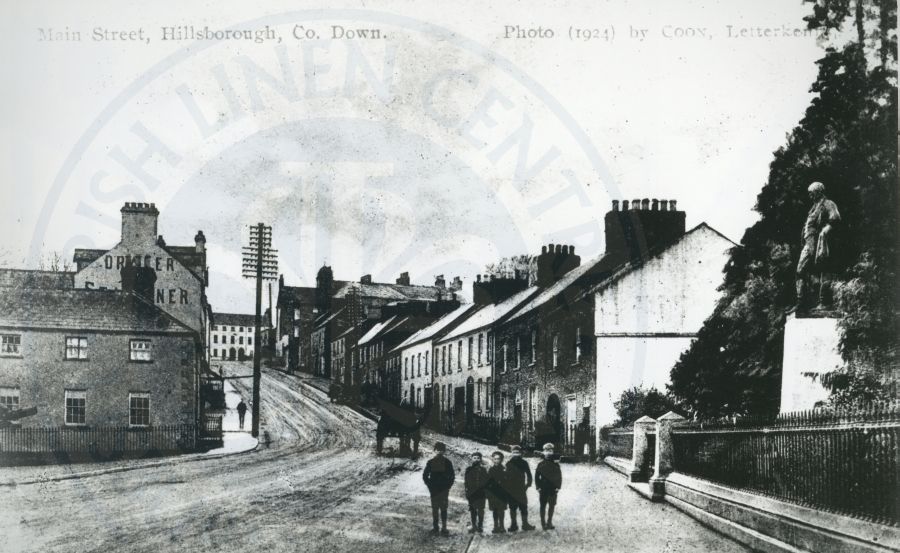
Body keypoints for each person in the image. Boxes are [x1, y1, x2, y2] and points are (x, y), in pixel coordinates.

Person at [796, 181, 841, 309]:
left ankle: (824, 302)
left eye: (812, 193)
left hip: (819, 243)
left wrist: (825, 231)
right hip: (809, 244)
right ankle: (801, 302)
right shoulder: (814, 207)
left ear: (818, 192)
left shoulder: (828, 203)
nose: (810, 196)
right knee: (801, 271)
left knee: (824, 270)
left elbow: (835, 218)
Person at [423, 441, 454, 535]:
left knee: (444, 508)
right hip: (434, 490)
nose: (439, 452)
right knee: (435, 508)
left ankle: (444, 528)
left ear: (444, 451)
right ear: (434, 450)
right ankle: (435, 527)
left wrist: (448, 486)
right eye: (437, 450)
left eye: (441, 450)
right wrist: (429, 485)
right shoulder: (431, 462)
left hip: (444, 490)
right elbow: (425, 475)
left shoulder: (448, 462)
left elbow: (452, 476)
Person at [503, 445, 536, 531]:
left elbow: (529, 474)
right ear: (511, 453)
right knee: (512, 507)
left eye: (517, 452)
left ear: (520, 453)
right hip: (511, 489)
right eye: (514, 452)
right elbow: (506, 476)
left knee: (523, 506)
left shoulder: (524, 463)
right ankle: (514, 525)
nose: (516, 454)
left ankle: (525, 524)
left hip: (521, 488)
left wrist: (528, 485)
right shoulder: (508, 463)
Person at [535, 443, 562, 530]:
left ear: (552, 451)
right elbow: (536, 477)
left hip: (553, 488)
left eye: (550, 450)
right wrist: (538, 487)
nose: (548, 452)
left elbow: (559, 476)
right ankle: (543, 523)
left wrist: (558, 486)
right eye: (546, 450)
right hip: (543, 488)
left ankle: (549, 522)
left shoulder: (556, 464)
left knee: (552, 505)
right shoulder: (540, 464)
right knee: (543, 505)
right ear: (543, 452)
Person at [464, 451, 488, 534]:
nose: (476, 459)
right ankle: (474, 525)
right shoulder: (468, 469)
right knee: (473, 509)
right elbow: (466, 482)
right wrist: (467, 492)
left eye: (478, 458)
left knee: (481, 509)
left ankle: (480, 525)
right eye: (474, 458)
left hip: (481, 493)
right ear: (472, 459)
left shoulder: (483, 470)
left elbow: (486, 482)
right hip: (472, 493)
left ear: (481, 459)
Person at [486, 450, 508, 534]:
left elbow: (507, 482)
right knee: (495, 510)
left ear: (501, 460)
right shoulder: (491, 470)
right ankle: (495, 526)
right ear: (492, 460)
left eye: (498, 459)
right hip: (493, 494)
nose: (496, 461)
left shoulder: (504, 469)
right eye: (495, 459)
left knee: (501, 510)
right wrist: (488, 494)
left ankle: (502, 526)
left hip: (502, 494)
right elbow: (487, 483)